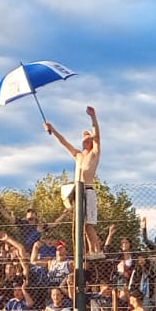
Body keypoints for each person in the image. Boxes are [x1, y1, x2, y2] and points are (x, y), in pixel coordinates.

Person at [44, 106, 103, 257]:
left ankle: (97, 251)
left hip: (88, 190)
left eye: (88, 137)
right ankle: (91, 251)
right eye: (84, 137)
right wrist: (52, 129)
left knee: (89, 224)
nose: (85, 139)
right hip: (78, 193)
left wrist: (93, 118)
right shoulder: (78, 155)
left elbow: (97, 136)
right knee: (82, 225)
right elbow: (64, 142)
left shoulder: (94, 153)